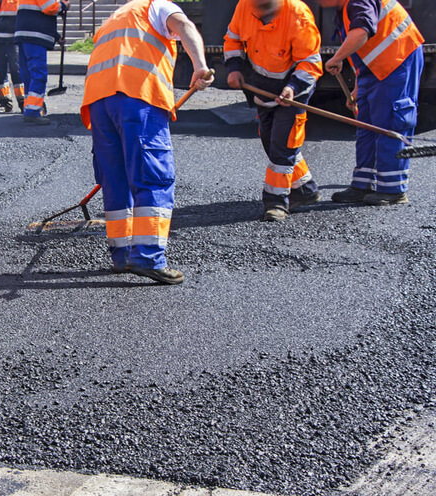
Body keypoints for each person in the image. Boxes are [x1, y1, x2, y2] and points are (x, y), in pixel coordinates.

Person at [80, 0, 213, 285]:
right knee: (153, 177)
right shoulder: (158, 6)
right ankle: (148, 257)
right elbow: (185, 26)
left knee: (115, 179)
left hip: (100, 102)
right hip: (137, 98)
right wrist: (200, 65)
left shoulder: (115, 18)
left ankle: (122, 255)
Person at [315, 0, 424, 206]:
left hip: (399, 57)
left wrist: (337, 58)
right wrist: (358, 87)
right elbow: (363, 51)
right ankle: (363, 184)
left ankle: (393, 189)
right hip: (373, 68)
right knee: (366, 124)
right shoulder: (344, 9)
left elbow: (362, 33)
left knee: (391, 121)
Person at [224, 0, 324, 222]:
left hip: (294, 91)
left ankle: (276, 202)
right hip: (262, 88)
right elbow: (233, 39)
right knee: (271, 142)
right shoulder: (245, 6)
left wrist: (292, 87)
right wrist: (233, 68)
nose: (261, 12)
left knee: (283, 146)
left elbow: (310, 63)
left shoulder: (298, 15)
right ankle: (306, 189)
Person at [14, 0, 70, 125]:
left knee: (28, 74)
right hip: (34, 36)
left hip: (24, 34)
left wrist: (55, 36)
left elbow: (37, 14)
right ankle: (33, 112)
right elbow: (49, 8)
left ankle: (29, 108)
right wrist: (63, 5)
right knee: (38, 74)